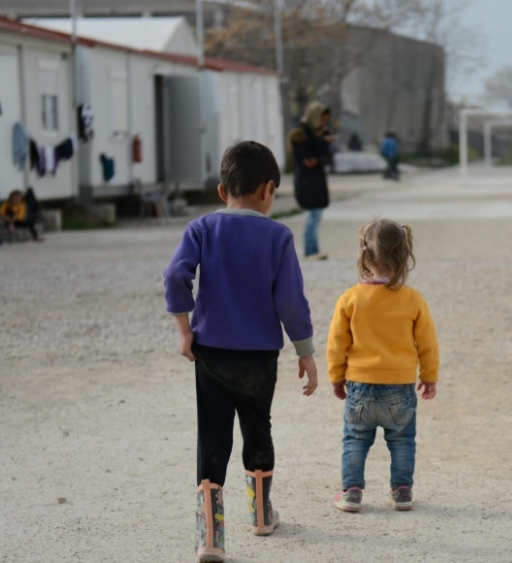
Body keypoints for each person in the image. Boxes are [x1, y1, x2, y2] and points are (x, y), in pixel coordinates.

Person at [163, 141, 319, 563]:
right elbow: (291, 301)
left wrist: (184, 330)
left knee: (212, 438)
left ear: (221, 190)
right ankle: (262, 514)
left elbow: (175, 277)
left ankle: (210, 538)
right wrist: (305, 351)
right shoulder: (279, 236)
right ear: (269, 190)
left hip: (211, 353)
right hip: (258, 357)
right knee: (257, 428)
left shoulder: (200, 229)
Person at [327, 218, 440, 514]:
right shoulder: (413, 300)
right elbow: (427, 344)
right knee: (402, 439)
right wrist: (429, 377)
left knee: (355, 438)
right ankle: (402, 491)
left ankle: (351, 492)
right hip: (400, 387)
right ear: (404, 257)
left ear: (365, 257)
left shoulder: (350, 299)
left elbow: (337, 344)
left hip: (359, 385)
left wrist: (336, 378)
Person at [288, 102, 332, 260]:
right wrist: (322, 145)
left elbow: (324, 157)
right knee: (314, 214)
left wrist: (324, 148)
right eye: (322, 119)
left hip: (316, 179)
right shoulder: (301, 134)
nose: (323, 123)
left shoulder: (319, 133)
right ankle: (311, 250)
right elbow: (306, 158)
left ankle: (313, 249)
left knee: (316, 214)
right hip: (307, 179)